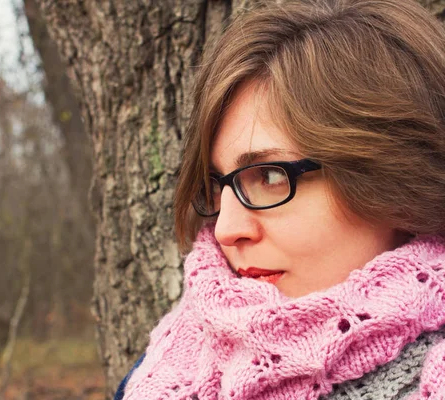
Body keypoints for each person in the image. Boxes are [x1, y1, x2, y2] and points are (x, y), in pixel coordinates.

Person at [115, 0, 445, 398]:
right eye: (216, 184)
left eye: (270, 176)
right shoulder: (166, 368)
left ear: (399, 177)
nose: (225, 229)